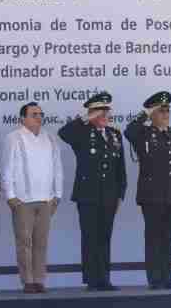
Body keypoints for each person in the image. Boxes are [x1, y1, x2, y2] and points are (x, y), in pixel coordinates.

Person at [59, 92, 127, 292]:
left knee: (105, 237)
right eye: (100, 112)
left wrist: (120, 193)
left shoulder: (114, 134)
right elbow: (64, 133)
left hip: (109, 194)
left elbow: (120, 167)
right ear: (91, 113)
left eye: (107, 111)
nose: (105, 115)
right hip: (88, 194)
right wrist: (86, 118)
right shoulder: (82, 132)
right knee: (90, 237)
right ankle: (92, 279)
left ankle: (104, 278)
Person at [124, 91, 171, 290]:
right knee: (154, 237)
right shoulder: (143, 133)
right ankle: (155, 278)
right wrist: (146, 112)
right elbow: (129, 131)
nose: (165, 114)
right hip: (152, 194)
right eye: (161, 111)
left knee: (169, 237)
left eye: (167, 110)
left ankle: (167, 277)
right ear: (152, 114)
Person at [1, 102, 64, 294]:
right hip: (23, 200)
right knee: (24, 243)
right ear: (23, 118)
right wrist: (11, 196)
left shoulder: (50, 137)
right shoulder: (13, 137)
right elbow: (6, 169)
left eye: (40, 114)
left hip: (46, 200)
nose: (38, 117)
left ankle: (39, 280)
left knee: (41, 243)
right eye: (34, 114)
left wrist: (57, 195)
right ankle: (27, 281)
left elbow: (57, 167)